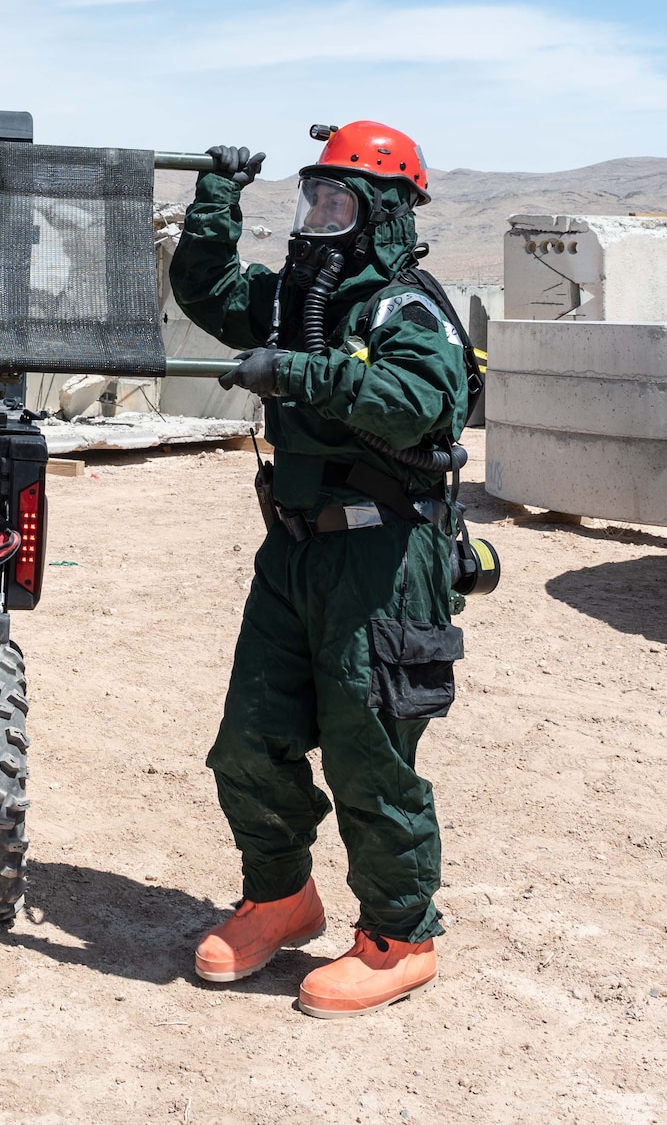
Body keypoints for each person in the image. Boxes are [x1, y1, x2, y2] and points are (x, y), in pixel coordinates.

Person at [169, 122, 475, 1018]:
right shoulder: (289, 296)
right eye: (314, 197)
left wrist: (304, 373)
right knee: (249, 739)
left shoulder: (407, 308)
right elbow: (206, 289)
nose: (320, 216)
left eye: (340, 201)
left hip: (382, 558)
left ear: (383, 216)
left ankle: (399, 937)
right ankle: (281, 897)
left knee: (369, 753)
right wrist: (216, 199)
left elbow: (418, 402)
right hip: (295, 550)